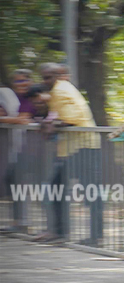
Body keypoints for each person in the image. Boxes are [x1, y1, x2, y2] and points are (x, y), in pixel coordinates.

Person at [36, 63, 103, 245]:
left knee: (91, 192)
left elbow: (74, 118)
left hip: (84, 147)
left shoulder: (60, 90)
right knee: (55, 187)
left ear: (57, 76)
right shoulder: (57, 91)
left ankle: (95, 236)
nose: (46, 81)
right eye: (44, 77)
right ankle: (58, 232)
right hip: (71, 149)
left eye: (49, 77)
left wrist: (53, 125)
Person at [1, 69, 36, 233]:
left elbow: (26, 119)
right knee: (14, 186)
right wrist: (14, 119)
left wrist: (15, 119)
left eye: (24, 80)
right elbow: (20, 118)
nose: (21, 84)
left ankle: (25, 222)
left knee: (24, 187)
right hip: (14, 149)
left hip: (32, 150)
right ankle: (18, 223)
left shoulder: (34, 97)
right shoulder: (11, 98)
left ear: (30, 81)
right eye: (17, 81)